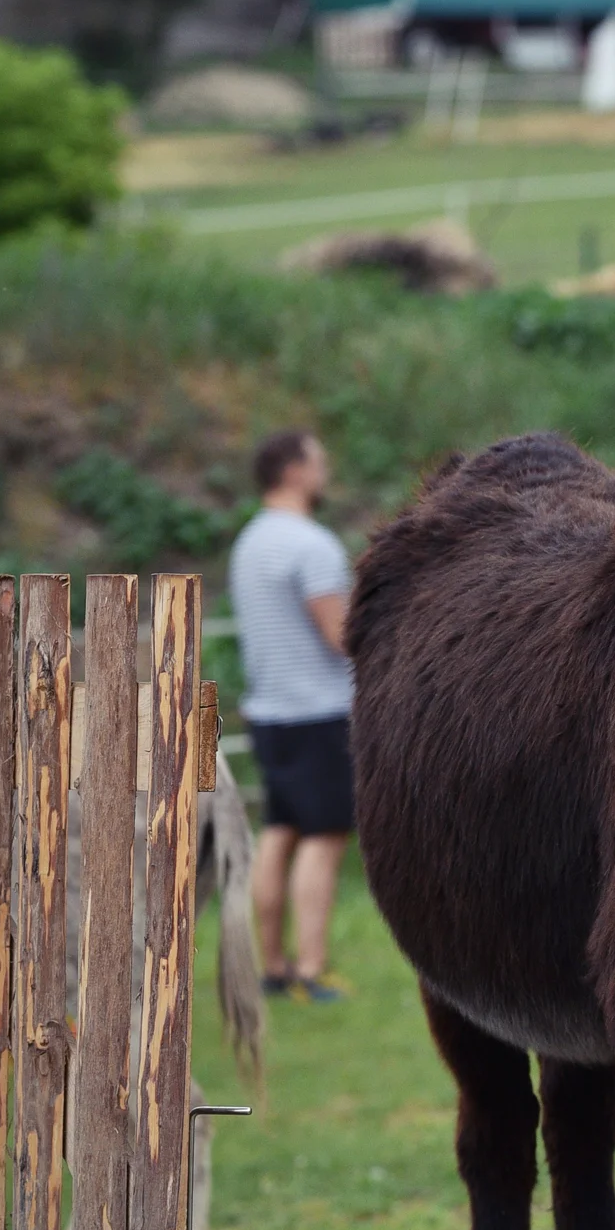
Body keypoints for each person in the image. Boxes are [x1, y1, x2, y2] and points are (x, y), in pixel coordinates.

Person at [228, 429, 354, 1004]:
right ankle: (312, 969)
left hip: (269, 711)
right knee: (324, 838)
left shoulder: (250, 542)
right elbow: (341, 637)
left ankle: (273, 967)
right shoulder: (312, 545)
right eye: (320, 460)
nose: (325, 471)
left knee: (279, 831)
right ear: (294, 470)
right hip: (319, 712)